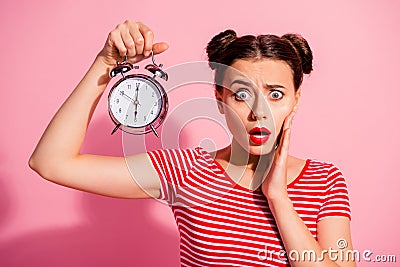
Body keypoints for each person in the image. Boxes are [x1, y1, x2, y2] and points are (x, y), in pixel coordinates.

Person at [29, 20, 356, 266]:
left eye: (275, 94)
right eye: (242, 95)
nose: (260, 113)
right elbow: (51, 162)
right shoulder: (186, 171)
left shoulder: (325, 181)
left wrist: (278, 197)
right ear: (219, 99)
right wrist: (104, 63)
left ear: (295, 100)